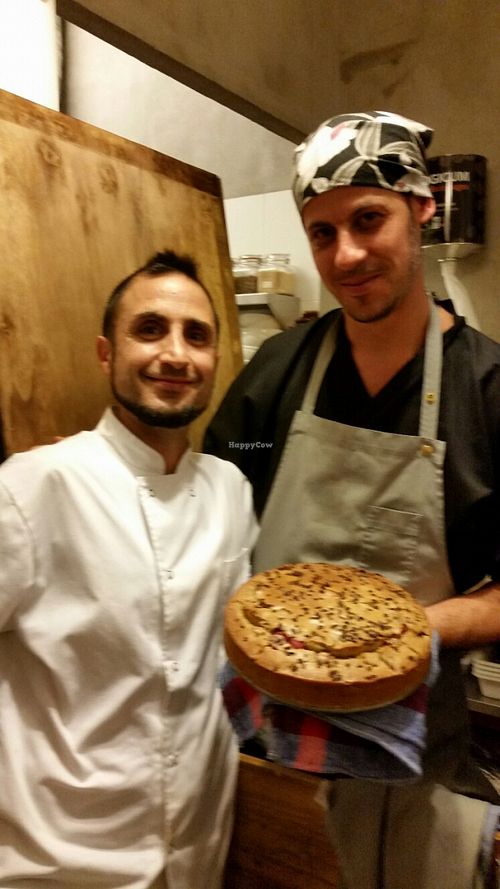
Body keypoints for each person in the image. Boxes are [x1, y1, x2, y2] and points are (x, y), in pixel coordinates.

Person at [204, 112, 500, 889]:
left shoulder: (487, 391)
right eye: (322, 232)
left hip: (413, 761)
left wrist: (404, 635)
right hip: (262, 744)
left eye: (369, 219)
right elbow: (211, 515)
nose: (347, 255)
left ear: (423, 208)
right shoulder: (279, 371)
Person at [0, 250, 257, 889]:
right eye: (150, 330)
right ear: (105, 353)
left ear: (216, 359)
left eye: (196, 336)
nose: (175, 354)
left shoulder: (230, 490)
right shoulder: (34, 487)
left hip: (196, 856)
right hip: (57, 863)